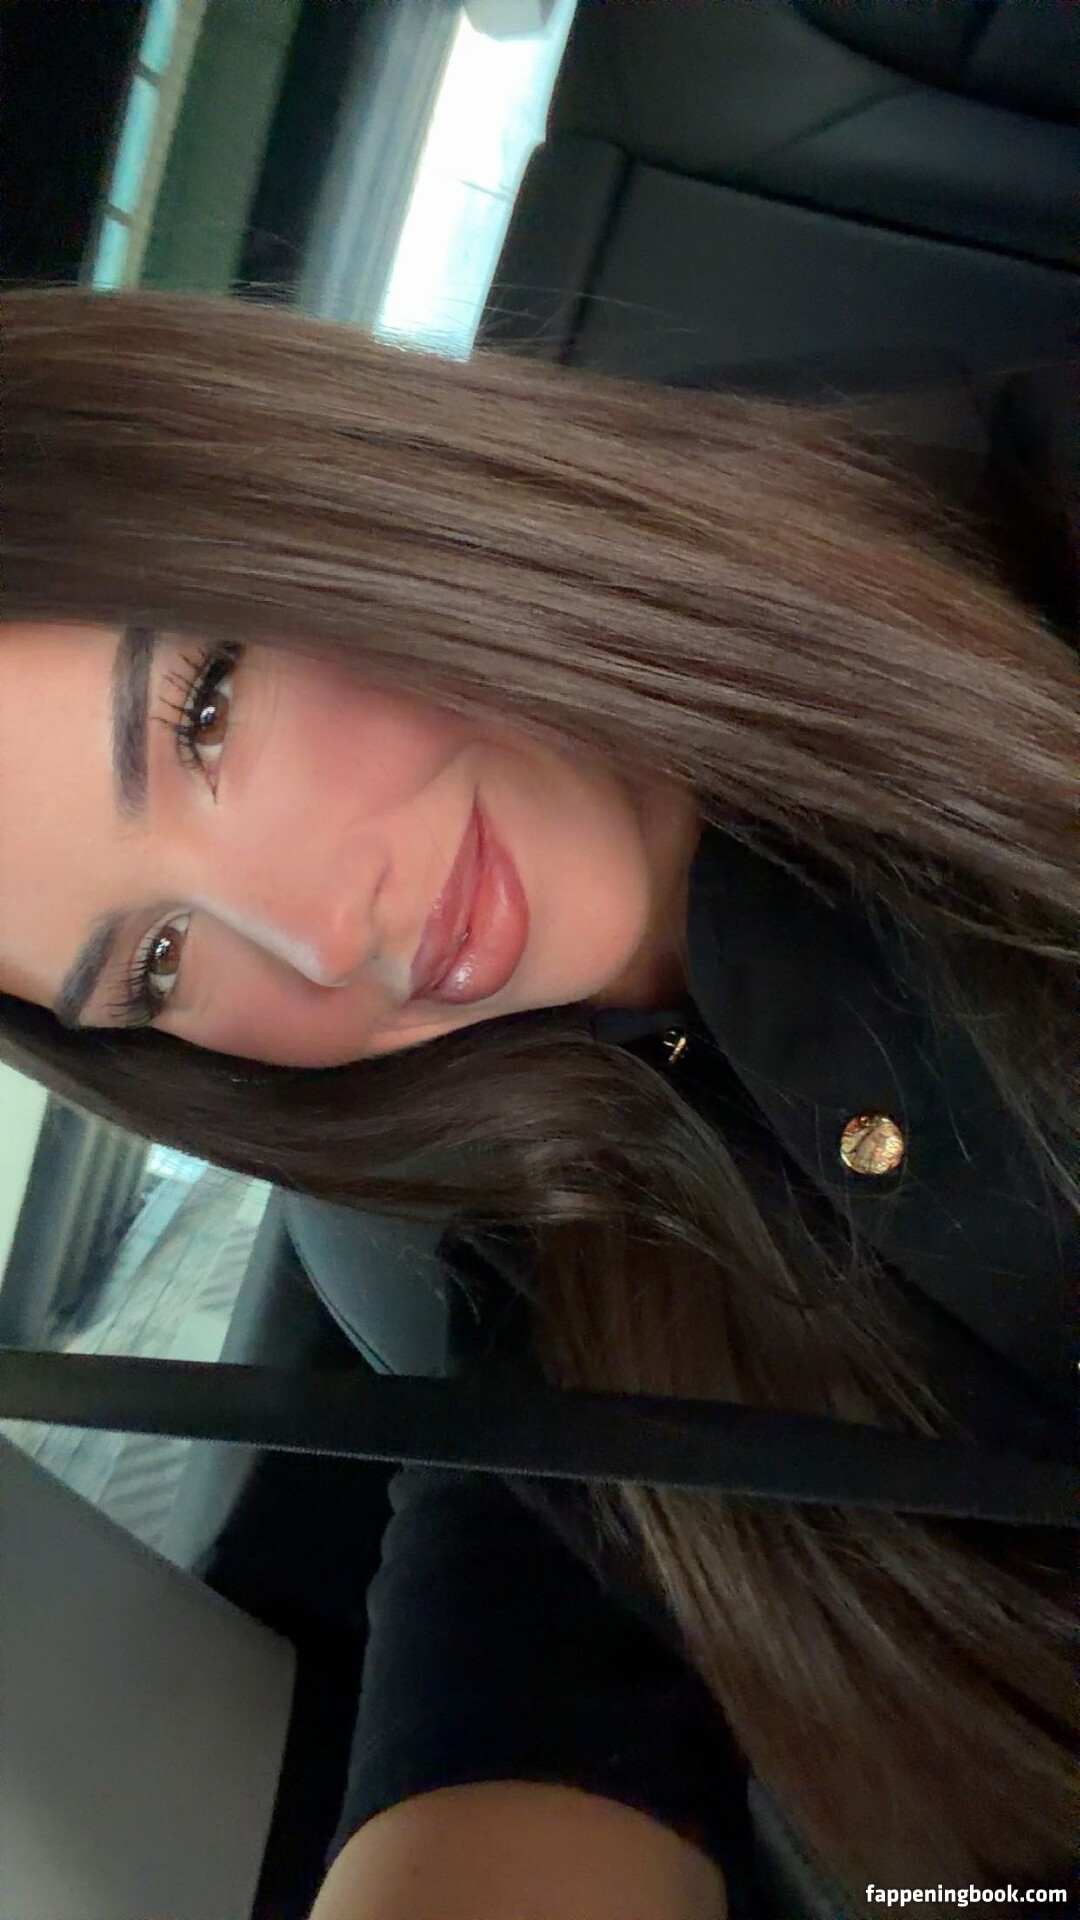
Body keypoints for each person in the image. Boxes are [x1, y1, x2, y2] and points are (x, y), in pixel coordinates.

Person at [1, 287, 1075, 1918]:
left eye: (204, 711)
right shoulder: (552, 1328)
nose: (319, 938)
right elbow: (513, 1722)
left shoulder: (1024, 520)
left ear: (323, 493)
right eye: (156, 961)